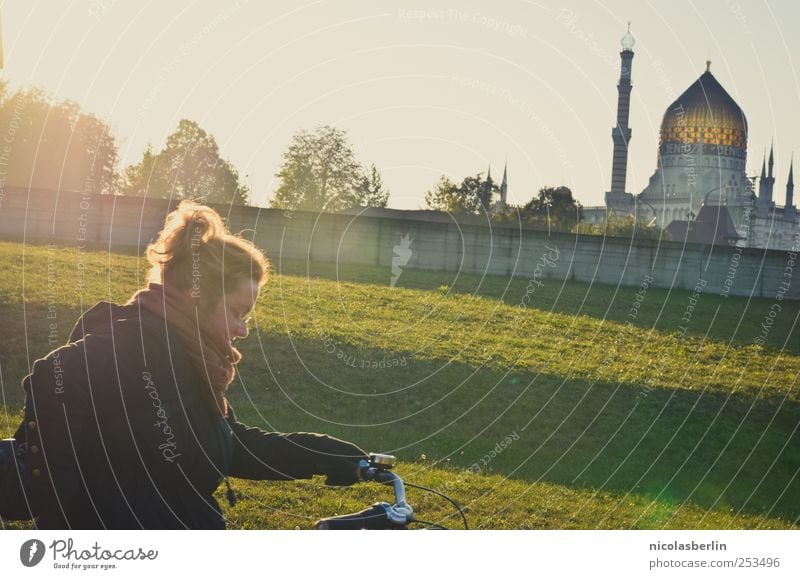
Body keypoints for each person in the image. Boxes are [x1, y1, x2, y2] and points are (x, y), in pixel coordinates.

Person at [14, 200, 368, 529]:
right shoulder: (137, 341)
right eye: (237, 312)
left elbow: (228, 446)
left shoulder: (191, 357)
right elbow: (56, 373)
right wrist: (49, 487)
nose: (243, 330)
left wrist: (318, 452)